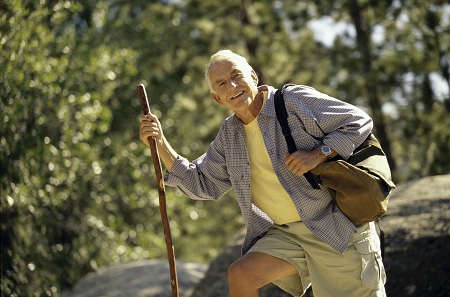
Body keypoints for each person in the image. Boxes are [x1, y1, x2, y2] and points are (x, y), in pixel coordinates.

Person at [139, 50, 386, 297]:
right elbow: (201, 183)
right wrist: (160, 142)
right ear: (218, 98)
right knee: (242, 275)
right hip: (287, 234)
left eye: (237, 76)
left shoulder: (292, 101)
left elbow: (358, 121)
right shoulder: (230, 135)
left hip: (334, 225)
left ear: (253, 76)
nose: (232, 86)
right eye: (222, 84)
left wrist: (318, 154)